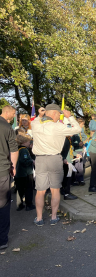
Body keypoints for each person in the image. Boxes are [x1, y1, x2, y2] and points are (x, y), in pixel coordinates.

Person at [32, 104, 81, 226]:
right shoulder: (58, 126)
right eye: (59, 113)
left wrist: (40, 114)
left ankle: (39, 218)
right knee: (55, 190)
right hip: (55, 158)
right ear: (54, 113)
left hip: (40, 159)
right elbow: (77, 129)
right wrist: (70, 117)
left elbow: (37, 119)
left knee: (40, 191)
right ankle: (53, 217)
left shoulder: (35, 124)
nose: (60, 115)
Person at [0, 105, 18, 250]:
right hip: (2, 170)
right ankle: (2, 239)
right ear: (6, 112)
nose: (13, 116)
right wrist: (14, 166)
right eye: (13, 114)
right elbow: (14, 150)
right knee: (3, 204)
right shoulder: (7, 128)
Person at [14, 134, 35, 211]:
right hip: (26, 173)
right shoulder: (24, 150)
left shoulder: (17, 149)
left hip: (18, 174)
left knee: (19, 190)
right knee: (28, 189)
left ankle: (20, 204)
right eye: (28, 142)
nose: (29, 143)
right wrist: (31, 161)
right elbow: (24, 161)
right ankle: (29, 204)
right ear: (24, 142)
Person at [61, 135, 79, 200]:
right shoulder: (64, 139)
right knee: (67, 178)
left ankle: (65, 191)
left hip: (69, 159)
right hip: (66, 161)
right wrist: (63, 158)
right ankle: (66, 193)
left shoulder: (68, 138)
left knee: (67, 177)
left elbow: (70, 149)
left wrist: (75, 154)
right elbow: (61, 150)